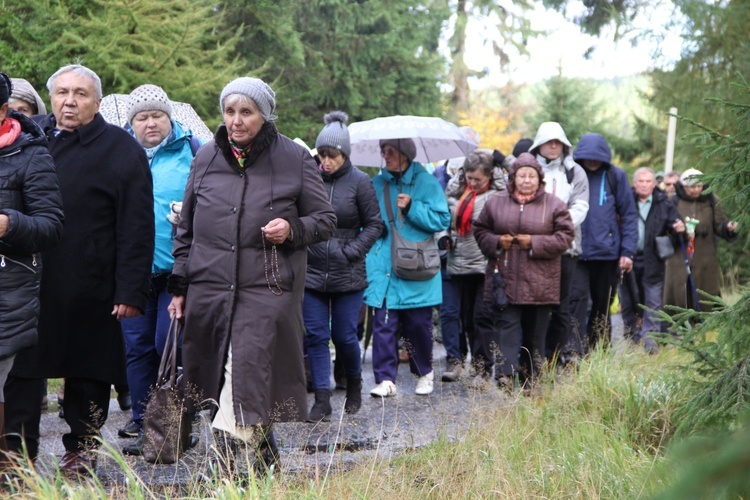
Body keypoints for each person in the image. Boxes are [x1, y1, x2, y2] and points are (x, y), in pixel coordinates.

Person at [167, 77, 336, 474]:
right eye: (230, 112)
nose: (236, 121)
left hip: (268, 287)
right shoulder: (206, 155)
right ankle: (266, 465)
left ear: (265, 115)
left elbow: (325, 220)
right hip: (209, 286)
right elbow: (186, 227)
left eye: (247, 112)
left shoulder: (293, 156)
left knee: (246, 371)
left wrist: (292, 229)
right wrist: (179, 284)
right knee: (219, 376)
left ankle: (221, 473)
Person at [4, 65, 154, 475]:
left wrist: (130, 291)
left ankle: (82, 448)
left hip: (92, 280)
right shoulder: (29, 136)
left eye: (81, 94)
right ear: (50, 97)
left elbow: (137, 227)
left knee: (88, 367)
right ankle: (17, 456)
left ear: (98, 101)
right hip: (28, 276)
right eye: (62, 92)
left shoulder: (122, 149)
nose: (70, 101)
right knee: (22, 367)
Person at [116, 84, 201, 456]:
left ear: (170, 117)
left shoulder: (194, 151)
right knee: (136, 349)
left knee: (168, 344)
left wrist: (189, 216)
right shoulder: (119, 154)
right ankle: (142, 425)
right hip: (132, 272)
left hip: (176, 271)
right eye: (142, 117)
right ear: (131, 123)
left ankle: (177, 420)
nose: (150, 123)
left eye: (157, 115)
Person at [0, 72, 64, 467]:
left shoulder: (31, 154)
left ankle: (13, 471)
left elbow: (52, 226)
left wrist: (9, 223)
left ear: (4, 110)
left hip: (10, 288)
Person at [303, 111, 381, 422]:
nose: (325, 161)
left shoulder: (361, 182)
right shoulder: (309, 178)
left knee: (346, 336)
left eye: (331, 155)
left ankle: (354, 385)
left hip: (348, 273)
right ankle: (322, 399)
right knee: (316, 336)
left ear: (344, 153)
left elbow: (375, 224)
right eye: (321, 154)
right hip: (311, 272)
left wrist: (352, 251)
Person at [473, 153, 574, 389]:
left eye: (531, 176)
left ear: (539, 179)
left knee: (535, 334)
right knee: (506, 327)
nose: (526, 180)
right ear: (513, 177)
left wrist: (534, 243)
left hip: (541, 280)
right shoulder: (496, 201)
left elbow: (566, 237)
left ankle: (531, 382)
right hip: (505, 279)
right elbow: (480, 230)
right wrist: (498, 241)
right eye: (522, 175)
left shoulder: (554, 204)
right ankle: (505, 376)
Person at [365, 138, 450, 397]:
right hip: (383, 266)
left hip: (417, 268)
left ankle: (424, 373)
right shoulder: (376, 185)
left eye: (390, 151)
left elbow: (441, 219)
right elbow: (363, 219)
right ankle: (385, 380)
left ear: (405, 154)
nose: (385, 155)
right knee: (383, 324)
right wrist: (371, 229)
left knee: (418, 326)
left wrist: (413, 207)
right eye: (383, 151)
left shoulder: (426, 183)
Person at [527, 123, 590, 366]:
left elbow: (581, 206)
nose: (553, 146)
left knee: (562, 307)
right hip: (534, 249)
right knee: (537, 305)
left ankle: (554, 357)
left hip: (566, 249)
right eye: (549, 141)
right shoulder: (528, 170)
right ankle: (535, 357)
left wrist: (555, 229)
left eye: (558, 142)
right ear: (539, 143)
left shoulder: (575, 172)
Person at [439, 150, 502, 387]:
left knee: (482, 318)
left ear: (490, 176)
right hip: (459, 262)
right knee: (464, 318)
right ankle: (463, 362)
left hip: (486, 264)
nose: (473, 183)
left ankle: (483, 368)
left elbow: (510, 177)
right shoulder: (454, 194)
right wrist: (443, 236)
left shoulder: (497, 195)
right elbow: (444, 222)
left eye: (479, 179)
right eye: (470, 178)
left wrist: (502, 159)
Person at [571, 133, 638, 352]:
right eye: (587, 157)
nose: (592, 161)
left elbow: (628, 215)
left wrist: (627, 252)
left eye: (596, 157)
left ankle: (599, 351)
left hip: (607, 254)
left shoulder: (615, 176)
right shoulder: (572, 173)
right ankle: (574, 353)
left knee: (602, 306)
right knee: (577, 303)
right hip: (577, 252)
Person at [620, 168, 684, 352]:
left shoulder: (663, 202)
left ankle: (651, 342)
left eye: (648, 181)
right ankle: (632, 337)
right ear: (634, 182)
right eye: (641, 181)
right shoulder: (625, 199)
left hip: (653, 259)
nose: (645, 184)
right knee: (628, 299)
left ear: (654, 184)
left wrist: (678, 227)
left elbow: (675, 222)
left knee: (653, 300)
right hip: (628, 257)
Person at [663, 168, 738, 313]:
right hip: (680, 253)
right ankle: (679, 323)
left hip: (705, 254)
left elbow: (719, 225)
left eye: (699, 186)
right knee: (679, 288)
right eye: (692, 186)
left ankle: (704, 323)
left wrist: (728, 227)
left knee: (706, 289)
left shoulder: (712, 200)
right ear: (684, 186)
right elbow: (663, 225)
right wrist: (674, 228)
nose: (696, 190)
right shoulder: (673, 200)